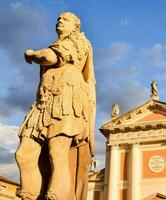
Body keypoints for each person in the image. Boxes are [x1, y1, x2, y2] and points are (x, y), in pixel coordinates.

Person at [15, 12, 96, 200]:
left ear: (76, 26)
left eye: (65, 19)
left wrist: (32, 54)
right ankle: (30, 195)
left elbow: (52, 57)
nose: (60, 20)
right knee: (23, 153)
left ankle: (56, 196)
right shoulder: (58, 42)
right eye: (58, 18)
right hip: (44, 101)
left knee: (57, 153)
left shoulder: (78, 41)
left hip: (66, 99)